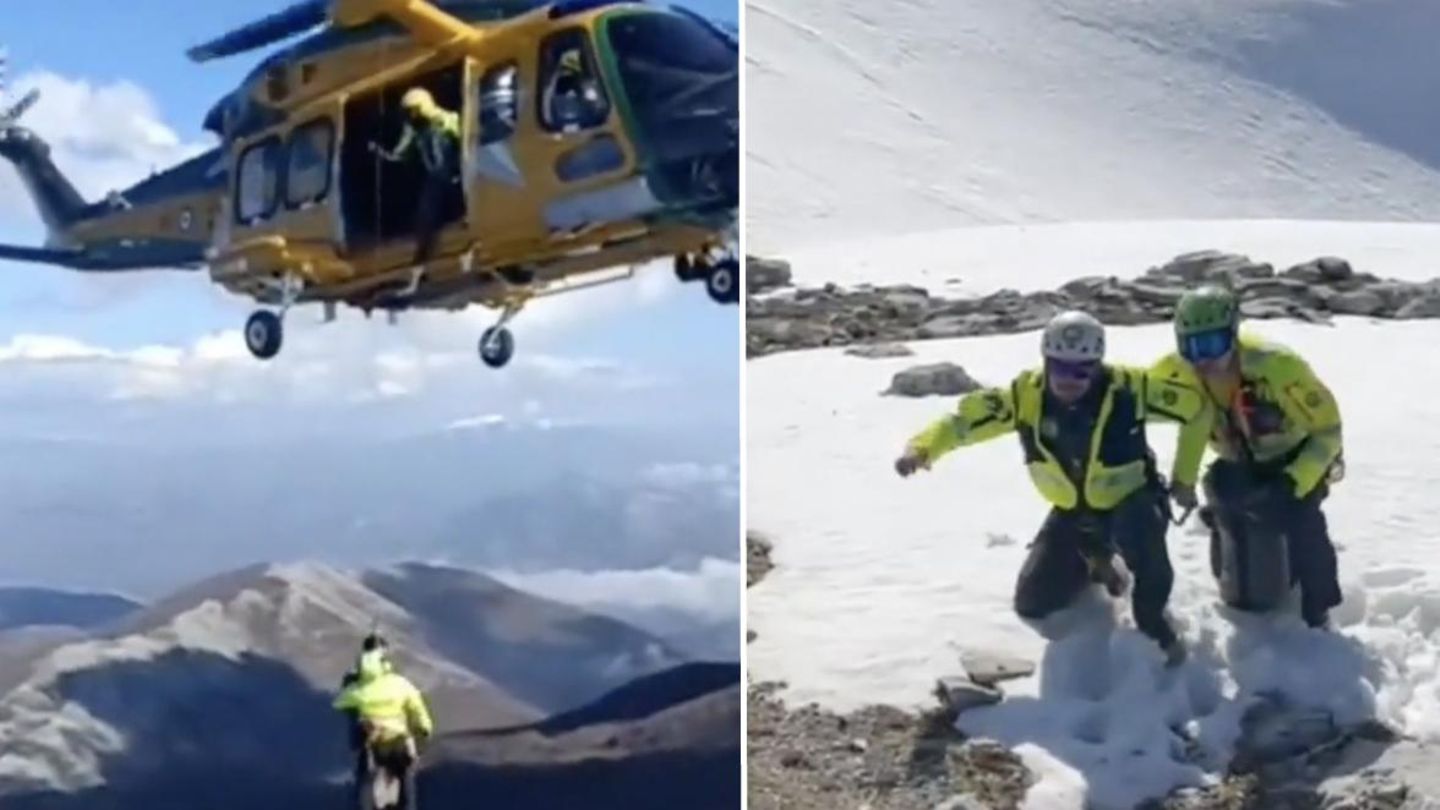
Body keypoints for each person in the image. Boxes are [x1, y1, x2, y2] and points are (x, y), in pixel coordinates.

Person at [894, 310, 1213, 665]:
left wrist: (1184, 479)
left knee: (1144, 550)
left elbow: (1197, 411)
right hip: (1074, 514)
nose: (1070, 379)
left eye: (1082, 370)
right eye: (1059, 368)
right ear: (1046, 361)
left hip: (1133, 503)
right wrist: (923, 448)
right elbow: (964, 422)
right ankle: (1098, 560)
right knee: (1034, 602)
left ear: (1097, 365)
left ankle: (1154, 622)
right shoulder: (1024, 396)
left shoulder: (1131, 388)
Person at [1153, 285, 1344, 629]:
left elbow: (1327, 432)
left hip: (1294, 459)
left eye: (1212, 345)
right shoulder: (1175, 374)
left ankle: (1318, 609)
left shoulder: (1279, 367)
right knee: (1225, 501)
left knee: (1304, 523)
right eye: (1191, 346)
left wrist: (1293, 481)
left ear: (1233, 335)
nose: (1203, 359)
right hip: (1237, 461)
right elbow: (1137, 402)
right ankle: (1236, 577)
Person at [334, 632, 434, 810]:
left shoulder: (355, 686)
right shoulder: (399, 683)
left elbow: (340, 703)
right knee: (406, 775)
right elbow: (417, 706)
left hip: (368, 740)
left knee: (363, 779)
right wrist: (424, 728)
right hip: (397, 739)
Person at [369, 87, 461, 266]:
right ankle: (423, 257)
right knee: (425, 214)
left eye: (412, 111)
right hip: (435, 178)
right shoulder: (412, 130)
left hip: (453, 173)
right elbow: (400, 154)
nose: (410, 116)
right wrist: (380, 153)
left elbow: (464, 140)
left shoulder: (448, 120)